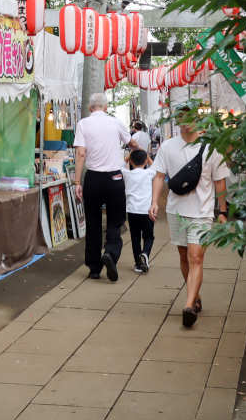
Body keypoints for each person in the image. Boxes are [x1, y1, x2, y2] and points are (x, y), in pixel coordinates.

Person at [149, 113, 231, 327]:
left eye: (189, 116)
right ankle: (195, 296)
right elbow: (158, 176)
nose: (185, 120)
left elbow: (220, 181)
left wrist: (223, 211)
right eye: (181, 116)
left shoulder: (211, 148)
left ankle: (188, 306)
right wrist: (154, 202)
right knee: (184, 256)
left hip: (202, 212)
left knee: (196, 257)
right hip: (176, 211)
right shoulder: (168, 147)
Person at [73, 92, 130, 281]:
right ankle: (111, 253)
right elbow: (130, 140)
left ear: (90, 108)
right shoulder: (115, 122)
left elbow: (81, 154)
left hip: (93, 179)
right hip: (114, 177)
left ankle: (94, 268)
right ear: (105, 107)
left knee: (93, 222)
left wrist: (77, 182)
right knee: (116, 219)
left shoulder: (83, 124)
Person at [123, 148, 154, 273]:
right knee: (149, 236)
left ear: (131, 161)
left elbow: (120, 166)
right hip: (146, 211)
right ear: (146, 161)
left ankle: (138, 264)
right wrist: (148, 157)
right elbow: (157, 166)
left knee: (135, 237)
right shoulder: (149, 173)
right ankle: (145, 254)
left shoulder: (127, 174)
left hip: (131, 211)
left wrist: (128, 157)